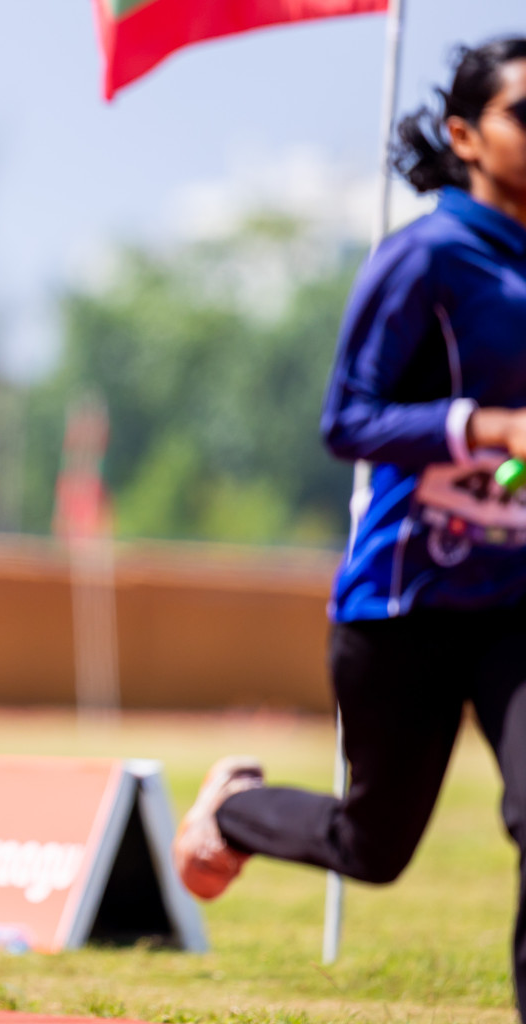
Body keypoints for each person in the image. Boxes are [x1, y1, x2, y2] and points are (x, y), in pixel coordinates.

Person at [172, 37, 526, 1019]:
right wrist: (484, 426)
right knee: (375, 848)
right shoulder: (424, 259)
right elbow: (348, 420)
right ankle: (234, 808)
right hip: (407, 600)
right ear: (465, 135)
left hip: (513, 599)